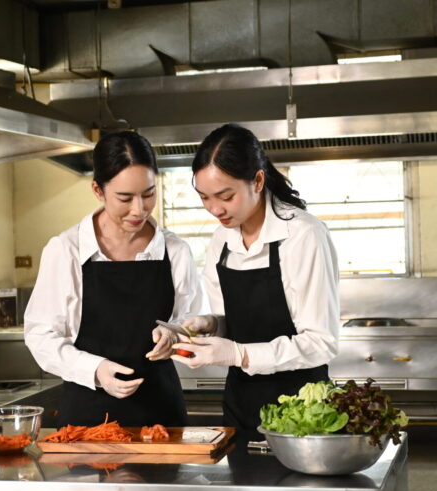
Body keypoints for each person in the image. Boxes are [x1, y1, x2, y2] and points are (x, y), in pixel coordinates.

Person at [24, 131, 202, 427]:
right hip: (87, 419)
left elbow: (192, 321)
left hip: (161, 416)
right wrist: (95, 369)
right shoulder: (66, 250)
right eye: (125, 197)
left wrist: (176, 336)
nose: (139, 209)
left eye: (148, 194)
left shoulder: (175, 250)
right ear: (97, 190)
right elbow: (40, 336)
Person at [172, 123, 340, 433]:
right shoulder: (221, 241)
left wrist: (240, 353)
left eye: (225, 196)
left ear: (258, 180)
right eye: (204, 198)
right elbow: (234, 321)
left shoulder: (304, 235)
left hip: (303, 410)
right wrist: (210, 324)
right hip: (240, 404)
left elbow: (321, 342)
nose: (214, 209)